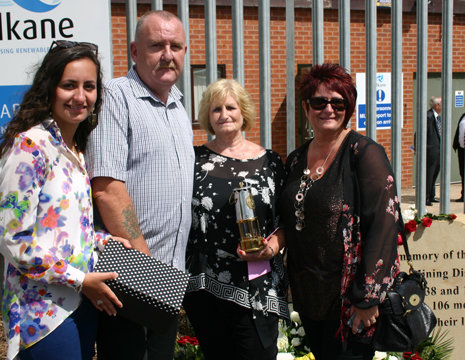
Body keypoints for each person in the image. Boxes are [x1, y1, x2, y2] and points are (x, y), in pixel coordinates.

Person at [0, 41, 130, 360]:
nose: (80, 96)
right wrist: (80, 278)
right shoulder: (30, 147)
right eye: (68, 85)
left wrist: (103, 240)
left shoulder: (75, 152)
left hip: (80, 302)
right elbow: (12, 240)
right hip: (41, 313)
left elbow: (67, 227)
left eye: (89, 86)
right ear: (50, 88)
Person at [85, 10, 195, 360]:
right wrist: (148, 272)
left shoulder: (177, 104)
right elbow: (106, 188)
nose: (167, 54)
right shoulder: (116, 98)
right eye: (156, 45)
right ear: (134, 51)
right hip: (132, 275)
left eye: (175, 46)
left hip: (169, 276)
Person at [278, 63, 401, 360]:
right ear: (307, 107)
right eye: (320, 102)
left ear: (349, 108)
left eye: (338, 102)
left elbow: (384, 224)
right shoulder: (295, 160)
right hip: (309, 299)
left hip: (351, 303)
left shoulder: (364, 153)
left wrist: (367, 297)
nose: (328, 109)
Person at [183, 78, 289, 360]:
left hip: (257, 281)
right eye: (216, 109)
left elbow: (286, 222)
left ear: (243, 113)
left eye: (230, 107)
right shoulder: (192, 161)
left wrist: (272, 248)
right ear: (207, 116)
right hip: (205, 287)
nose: (224, 115)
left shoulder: (271, 162)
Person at [426, 96, 442, 206]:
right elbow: (420, 133)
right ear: (437, 106)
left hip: (438, 151)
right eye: (442, 103)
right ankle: (425, 197)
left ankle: (431, 195)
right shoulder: (428, 116)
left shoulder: (437, 117)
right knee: (429, 174)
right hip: (430, 151)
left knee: (435, 173)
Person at [453, 112, 465, 202]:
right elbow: (459, 131)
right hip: (462, 150)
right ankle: (463, 195)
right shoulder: (463, 116)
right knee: (463, 173)